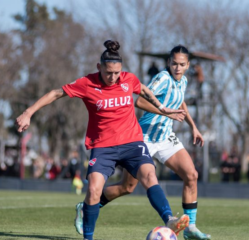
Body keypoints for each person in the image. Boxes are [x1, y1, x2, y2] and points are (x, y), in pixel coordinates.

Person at [16, 40, 189, 240]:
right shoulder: (86, 84)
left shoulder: (127, 79)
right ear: (99, 67)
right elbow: (56, 93)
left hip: (132, 142)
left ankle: (169, 220)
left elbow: (142, 89)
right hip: (103, 146)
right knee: (93, 190)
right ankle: (88, 236)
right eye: (108, 73)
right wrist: (28, 112)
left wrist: (161, 107)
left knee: (150, 176)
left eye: (117, 73)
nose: (113, 77)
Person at [75, 45, 211, 240]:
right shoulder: (162, 78)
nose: (177, 68)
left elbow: (180, 102)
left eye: (182, 64)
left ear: (188, 65)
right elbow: (139, 101)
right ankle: (87, 206)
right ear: (168, 63)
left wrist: (193, 126)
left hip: (165, 137)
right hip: (144, 137)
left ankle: (190, 228)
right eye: (174, 63)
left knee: (191, 175)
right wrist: (164, 110)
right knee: (127, 188)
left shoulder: (184, 80)